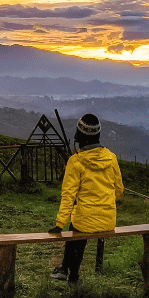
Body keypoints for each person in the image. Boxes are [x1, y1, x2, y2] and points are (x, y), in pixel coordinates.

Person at [48, 113, 123, 284]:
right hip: (108, 220)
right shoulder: (111, 158)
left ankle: (68, 271)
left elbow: (68, 196)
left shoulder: (75, 162)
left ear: (79, 135)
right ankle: (68, 272)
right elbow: (119, 190)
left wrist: (60, 224)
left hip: (85, 222)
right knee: (81, 223)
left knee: (77, 225)